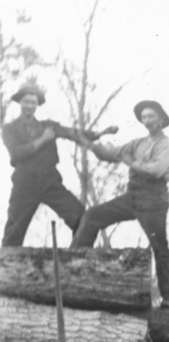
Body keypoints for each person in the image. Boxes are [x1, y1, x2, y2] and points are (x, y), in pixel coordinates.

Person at [70, 100, 169, 308]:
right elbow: (111, 153)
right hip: (133, 195)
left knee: (159, 245)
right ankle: (71, 267)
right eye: (144, 117)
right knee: (92, 216)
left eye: (151, 117)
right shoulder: (137, 143)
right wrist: (89, 144)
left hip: (154, 199)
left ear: (161, 119)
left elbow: (155, 171)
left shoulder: (168, 145)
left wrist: (130, 162)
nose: (147, 121)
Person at [3, 82, 116, 247]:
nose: (29, 106)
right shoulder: (9, 128)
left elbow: (72, 133)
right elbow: (16, 153)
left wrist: (98, 133)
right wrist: (43, 140)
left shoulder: (48, 126)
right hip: (24, 183)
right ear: (19, 103)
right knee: (14, 233)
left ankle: (77, 259)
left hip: (49, 180)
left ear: (37, 105)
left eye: (33, 102)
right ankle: (8, 270)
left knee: (80, 218)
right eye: (26, 101)